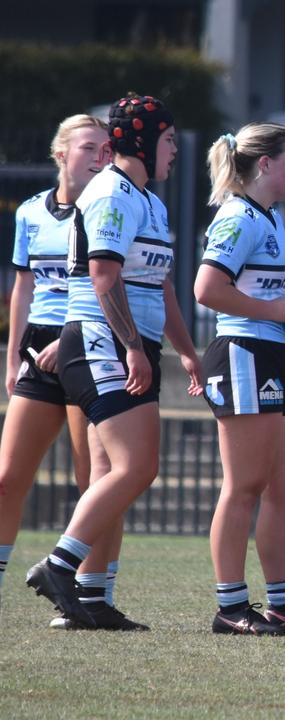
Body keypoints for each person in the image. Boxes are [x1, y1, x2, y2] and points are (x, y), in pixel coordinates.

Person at [25, 95, 202, 629]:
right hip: (101, 339)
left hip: (128, 341)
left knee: (108, 469)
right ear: (146, 140)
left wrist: (188, 353)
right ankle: (60, 565)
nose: (175, 150)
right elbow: (103, 276)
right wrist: (130, 346)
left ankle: (90, 598)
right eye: (170, 140)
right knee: (137, 466)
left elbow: (161, 285)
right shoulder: (112, 192)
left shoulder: (150, 200)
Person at [196, 122, 285, 636]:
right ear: (265, 166)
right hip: (244, 353)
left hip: (274, 352)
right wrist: (272, 307)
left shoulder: (270, 218)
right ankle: (230, 606)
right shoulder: (239, 218)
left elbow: (259, 293)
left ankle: (283, 604)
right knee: (244, 486)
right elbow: (207, 288)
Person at [1, 116, 106, 623]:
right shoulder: (29, 213)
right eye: (89, 147)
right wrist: (11, 352)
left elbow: (111, 285)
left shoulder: (108, 210)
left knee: (95, 480)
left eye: (106, 148)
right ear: (60, 153)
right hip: (37, 349)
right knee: (6, 478)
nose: (99, 156)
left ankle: (89, 596)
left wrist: (69, 340)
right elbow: (24, 286)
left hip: (85, 342)